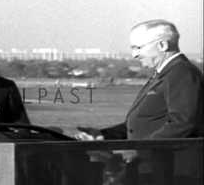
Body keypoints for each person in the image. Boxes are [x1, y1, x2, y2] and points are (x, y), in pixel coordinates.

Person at [75, 20, 204, 143]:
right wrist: (103, 135)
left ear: (162, 45)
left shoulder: (182, 73)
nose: (134, 54)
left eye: (138, 48)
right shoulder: (165, 73)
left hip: (164, 163)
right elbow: (141, 124)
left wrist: (140, 150)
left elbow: (183, 123)